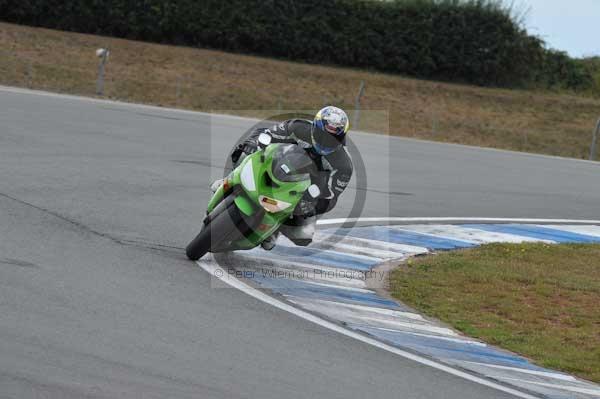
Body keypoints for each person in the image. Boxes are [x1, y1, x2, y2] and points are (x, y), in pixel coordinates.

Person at [213, 106, 353, 250]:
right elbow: (268, 133)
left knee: (303, 236)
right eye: (323, 135)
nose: (326, 141)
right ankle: (230, 180)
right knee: (245, 151)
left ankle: (275, 230)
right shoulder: (298, 128)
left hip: (307, 190)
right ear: (315, 128)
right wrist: (253, 143)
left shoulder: (343, 166)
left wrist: (313, 205)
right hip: (279, 163)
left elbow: (332, 196)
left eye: (333, 138)